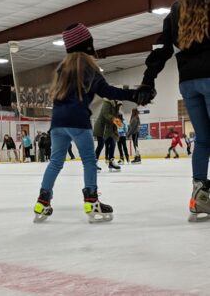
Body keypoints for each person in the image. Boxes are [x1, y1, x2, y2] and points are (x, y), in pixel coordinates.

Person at [33, 23, 153, 223]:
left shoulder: (63, 68)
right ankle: (91, 201)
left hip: (58, 123)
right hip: (78, 121)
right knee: (89, 161)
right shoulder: (86, 66)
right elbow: (107, 91)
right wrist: (134, 94)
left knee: (55, 162)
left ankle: (42, 202)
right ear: (86, 44)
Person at [138, 0, 210, 221]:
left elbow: (162, 46)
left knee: (203, 139)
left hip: (188, 83)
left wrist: (148, 79)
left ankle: (200, 196)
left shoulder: (177, 9)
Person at [93, 99, 121, 172]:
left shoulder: (115, 105)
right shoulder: (107, 103)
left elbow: (115, 116)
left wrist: (118, 107)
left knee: (112, 143)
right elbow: (106, 114)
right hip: (102, 127)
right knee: (101, 145)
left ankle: (111, 162)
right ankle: (93, 164)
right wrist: (114, 119)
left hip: (109, 129)